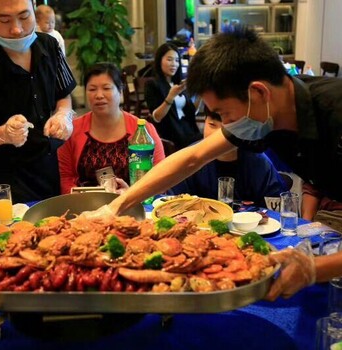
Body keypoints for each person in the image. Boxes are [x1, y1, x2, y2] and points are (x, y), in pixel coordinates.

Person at [99, 27, 341, 300]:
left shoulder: (335, 112)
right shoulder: (265, 112)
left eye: (225, 114)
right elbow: (192, 158)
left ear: (258, 93)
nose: (224, 127)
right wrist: (116, 205)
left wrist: (314, 268)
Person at [0, 0, 76, 203]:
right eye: (4, 20)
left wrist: (63, 115)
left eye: (24, 17)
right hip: (3, 178)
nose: (16, 29)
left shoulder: (49, 44)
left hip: (49, 166)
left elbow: (63, 96)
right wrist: (3, 135)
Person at [57, 62, 165, 194]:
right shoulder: (72, 130)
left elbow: (161, 176)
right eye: (92, 89)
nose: (99, 95)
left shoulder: (143, 130)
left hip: (133, 204)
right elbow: (66, 178)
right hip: (85, 207)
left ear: (120, 92)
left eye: (106, 88)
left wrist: (131, 194)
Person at [170, 107, 287, 206]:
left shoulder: (258, 162)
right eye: (212, 125)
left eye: (228, 129)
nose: (218, 136)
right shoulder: (191, 158)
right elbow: (175, 204)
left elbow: (277, 209)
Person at [144, 42, 202, 150]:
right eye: (169, 60)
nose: (174, 64)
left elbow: (192, 112)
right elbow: (156, 117)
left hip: (187, 129)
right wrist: (171, 96)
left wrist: (200, 94)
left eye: (176, 60)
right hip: (171, 133)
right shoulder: (152, 84)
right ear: (159, 61)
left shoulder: (178, 83)